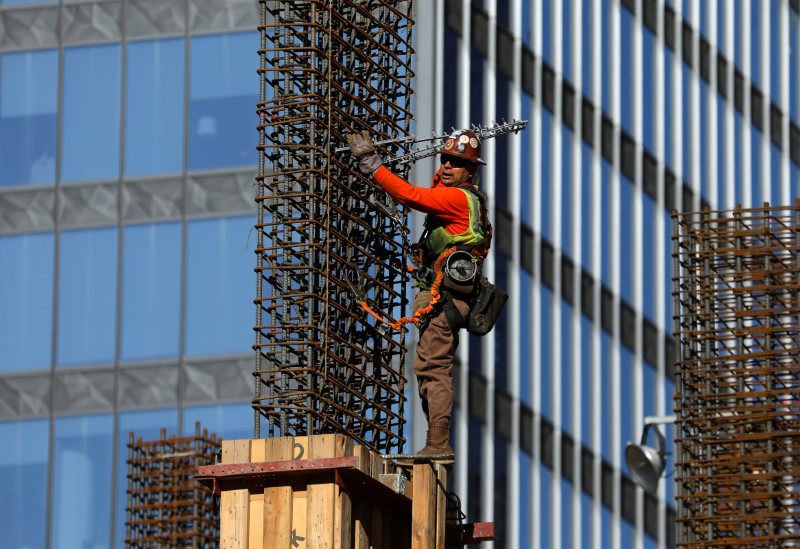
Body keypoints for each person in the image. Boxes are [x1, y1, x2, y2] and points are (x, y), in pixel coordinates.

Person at [347, 128, 492, 461]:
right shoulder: (466, 200)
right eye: (444, 159)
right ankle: (436, 441)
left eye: (455, 163)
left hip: (443, 299)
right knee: (424, 366)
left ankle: (438, 443)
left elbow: (412, 196)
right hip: (444, 296)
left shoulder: (459, 200)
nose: (446, 166)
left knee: (433, 368)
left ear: (470, 171)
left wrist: (373, 164)